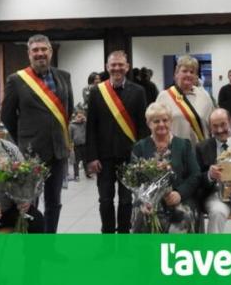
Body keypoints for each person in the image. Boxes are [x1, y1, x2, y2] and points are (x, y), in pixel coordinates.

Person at [1, 33, 74, 233]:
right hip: (30, 153)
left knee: (54, 202)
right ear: (29, 53)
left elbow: (68, 111)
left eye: (44, 49)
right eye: (35, 50)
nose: (40, 53)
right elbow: (7, 116)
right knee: (28, 202)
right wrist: (24, 140)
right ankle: (31, 248)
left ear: (50, 52)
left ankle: (48, 246)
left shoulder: (64, 76)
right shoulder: (16, 80)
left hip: (58, 151)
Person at [86, 51, 149, 233]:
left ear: (127, 67)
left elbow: (142, 128)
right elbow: (91, 127)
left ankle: (123, 238)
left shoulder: (138, 92)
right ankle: (106, 240)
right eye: (113, 65)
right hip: (103, 158)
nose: (117, 68)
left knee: (126, 200)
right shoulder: (97, 91)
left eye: (121, 65)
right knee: (105, 200)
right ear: (107, 67)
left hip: (129, 156)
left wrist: (141, 158)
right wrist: (91, 157)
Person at [131, 102, 201, 233]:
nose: (161, 124)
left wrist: (179, 194)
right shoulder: (140, 147)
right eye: (156, 121)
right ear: (148, 124)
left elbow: (195, 175)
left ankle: (178, 253)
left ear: (171, 121)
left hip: (180, 198)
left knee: (184, 217)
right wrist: (145, 199)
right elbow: (134, 180)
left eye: (165, 120)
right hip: (149, 200)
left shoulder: (183, 145)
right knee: (142, 215)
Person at [156, 55, 214, 147]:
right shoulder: (164, 96)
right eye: (184, 71)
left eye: (192, 72)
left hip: (200, 153)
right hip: (174, 152)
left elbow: (212, 126)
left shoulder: (204, 96)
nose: (188, 74)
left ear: (196, 76)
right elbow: (156, 127)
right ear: (176, 73)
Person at [68, 109, 89, 180]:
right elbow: (69, 137)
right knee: (76, 162)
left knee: (86, 160)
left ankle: (87, 173)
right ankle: (76, 175)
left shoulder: (84, 124)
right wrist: (70, 147)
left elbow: (90, 128)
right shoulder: (72, 125)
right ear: (75, 117)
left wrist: (85, 120)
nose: (80, 118)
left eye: (82, 116)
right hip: (76, 146)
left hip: (85, 145)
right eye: (79, 116)